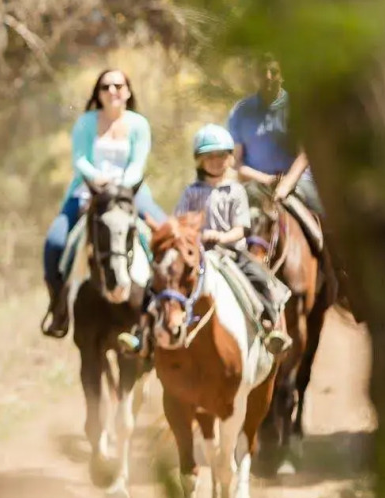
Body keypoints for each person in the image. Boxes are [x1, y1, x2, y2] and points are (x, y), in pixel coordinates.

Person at [122, 124, 289, 356]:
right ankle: (142, 332)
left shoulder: (235, 191)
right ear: (199, 160)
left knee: (258, 278)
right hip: (195, 251)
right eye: (209, 157)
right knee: (160, 279)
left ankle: (269, 326)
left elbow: (241, 230)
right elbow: (179, 224)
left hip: (229, 252)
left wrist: (221, 236)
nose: (215, 161)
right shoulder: (191, 192)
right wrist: (191, 237)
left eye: (221, 156)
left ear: (230, 158)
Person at [41, 69, 166, 339]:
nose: (112, 91)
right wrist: (97, 180)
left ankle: (163, 307)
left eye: (118, 85)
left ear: (128, 91)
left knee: (168, 236)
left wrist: (119, 186)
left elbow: (138, 163)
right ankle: (58, 308)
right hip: (89, 191)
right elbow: (80, 160)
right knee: (55, 242)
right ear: (98, 93)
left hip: (131, 192)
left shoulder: (138, 124)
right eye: (106, 86)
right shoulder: (86, 123)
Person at [228, 56, 323, 216]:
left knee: (326, 218)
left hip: (297, 181)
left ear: (282, 75)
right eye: (262, 72)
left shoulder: (296, 108)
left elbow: (305, 154)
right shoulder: (240, 111)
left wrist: (286, 184)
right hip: (254, 184)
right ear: (255, 76)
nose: (268, 77)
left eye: (273, 71)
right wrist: (266, 179)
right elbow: (235, 161)